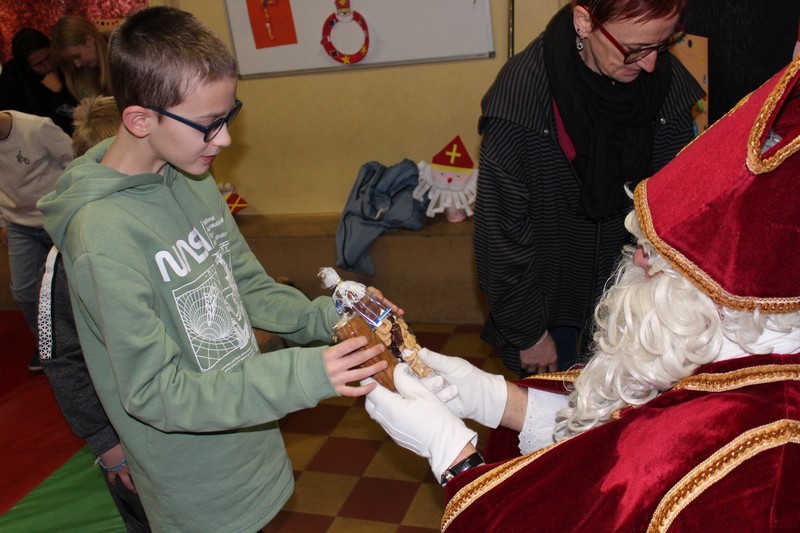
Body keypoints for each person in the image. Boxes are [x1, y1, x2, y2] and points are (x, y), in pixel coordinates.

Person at [364, 54, 800, 531]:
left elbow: (619, 486)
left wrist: (454, 458)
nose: (637, 258)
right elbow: (613, 448)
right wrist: (496, 400)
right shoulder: (719, 349)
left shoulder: (760, 463)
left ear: (735, 287)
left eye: (664, 251)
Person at [38, 6, 388, 531]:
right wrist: (305, 373)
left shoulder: (192, 177)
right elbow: (155, 391)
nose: (223, 139)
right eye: (208, 125)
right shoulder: (100, 237)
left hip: (250, 441)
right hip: (194, 483)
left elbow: (247, 287)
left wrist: (334, 316)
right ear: (140, 120)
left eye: (229, 116)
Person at [473, 0, 705, 377]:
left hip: (632, 295)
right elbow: (500, 235)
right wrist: (527, 333)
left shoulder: (667, 85)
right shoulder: (521, 98)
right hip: (546, 303)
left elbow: (679, 205)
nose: (651, 64)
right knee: (555, 408)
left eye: (663, 43)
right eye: (635, 49)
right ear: (584, 22)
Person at [0, 109, 73, 371]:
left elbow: (74, 162)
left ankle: (80, 342)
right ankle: (49, 344)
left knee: (72, 284)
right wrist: (2, 221)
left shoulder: (37, 128)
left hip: (57, 216)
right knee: (23, 291)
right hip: (19, 223)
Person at [0, 28, 78, 134]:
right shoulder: (13, 80)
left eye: (49, 57)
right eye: (38, 65)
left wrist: (59, 93)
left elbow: (76, 115)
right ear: (28, 68)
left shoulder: (66, 63)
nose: (48, 66)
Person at [51, 15, 112, 101]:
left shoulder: (126, 51)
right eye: (71, 61)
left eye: (77, 56)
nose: (77, 65)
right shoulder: (81, 78)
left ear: (89, 40)